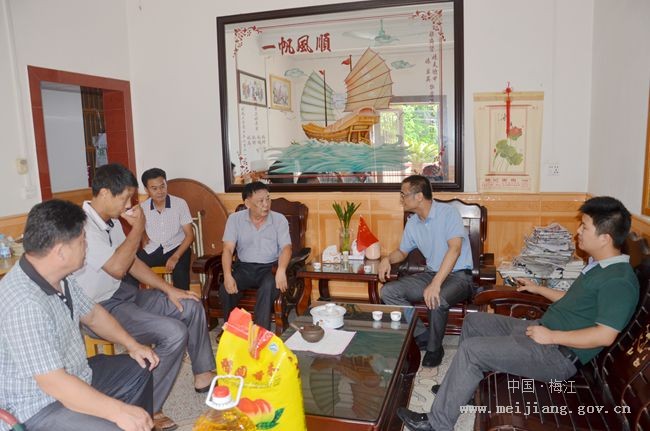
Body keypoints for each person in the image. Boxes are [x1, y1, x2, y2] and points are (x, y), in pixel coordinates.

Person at [397, 196, 640, 431]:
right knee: (474, 321)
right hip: (543, 330)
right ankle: (464, 390)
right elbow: (573, 300)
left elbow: (604, 335)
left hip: (557, 355)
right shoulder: (598, 266)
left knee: (472, 351)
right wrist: (538, 289)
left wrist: (552, 337)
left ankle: (437, 423)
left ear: (605, 238)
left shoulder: (618, 281)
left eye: (584, 227)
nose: (578, 231)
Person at [73, 163, 215, 431]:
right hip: (100, 308)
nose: (129, 204)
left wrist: (169, 289)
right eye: (125, 197)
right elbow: (117, 268)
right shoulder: (82, 226)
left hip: (124, 294)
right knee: (173, 333)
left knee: (190, 304)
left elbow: (132, 263)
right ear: (104, 193)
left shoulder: (109, 220)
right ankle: (148, 406)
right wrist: (139, 227)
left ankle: (203, 375)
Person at [0, 199, 159, 431]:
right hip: (39, 407)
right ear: (61, 252)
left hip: (77, 375)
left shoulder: (59, 276)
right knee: (114, 425)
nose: (87, 247)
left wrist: (132, 345)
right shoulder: (24, 304)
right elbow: (54, 383)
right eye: (83, 241)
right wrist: (117, 411)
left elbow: (92, 314)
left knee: (140, 367)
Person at [378, 175, 474, 367]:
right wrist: (387, 259)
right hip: (431, 274)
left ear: (419, 196)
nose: (401, 199)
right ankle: (422, 335)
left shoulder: (448, 213)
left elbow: (455, 249)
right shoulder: (413, 222)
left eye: (403, 194)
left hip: (459, 276)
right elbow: (402, 252)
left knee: (437, 298)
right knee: (388, 291)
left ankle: (434, 348)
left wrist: (436, 284)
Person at [219, 181, 292, 330]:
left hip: (269, 269)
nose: (266, 204)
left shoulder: (279, 220)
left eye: (268, 199)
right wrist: (227, 275)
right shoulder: (235, 219)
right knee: (225, 289)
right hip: (244, 268)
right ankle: (233, 331)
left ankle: (261, 332)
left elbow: (286, 248)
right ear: (247, 203)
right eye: (260, 201)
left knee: (268, 287)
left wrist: (281, 269)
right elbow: (227, 249)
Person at [137, 168, 194, 291]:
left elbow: (189, 236)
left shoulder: (180, 204)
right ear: (146, 190)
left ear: (166, 184)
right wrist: (144, 239)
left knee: (181, 273)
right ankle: (132, 300)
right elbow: (141, 229)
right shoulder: (143, 208)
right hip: (153, 249)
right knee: (131, 266)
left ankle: (183, 301)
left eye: (162, 186)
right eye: (154, 188)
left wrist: (175, 256)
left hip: (177, 248)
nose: (160, 191)